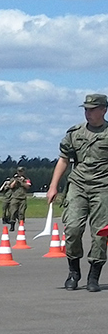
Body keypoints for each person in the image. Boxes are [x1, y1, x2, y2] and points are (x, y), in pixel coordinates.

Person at [46, 93, 108, 292]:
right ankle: (74, 272)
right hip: (78, 186)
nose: (88, 113)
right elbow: (64, 159)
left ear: (103, 110)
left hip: (103, 187)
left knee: (100, 234)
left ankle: (94, 275)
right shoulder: (75, 133)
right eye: (86, 109)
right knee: (72, 229)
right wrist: (53, 186)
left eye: (92, 109)